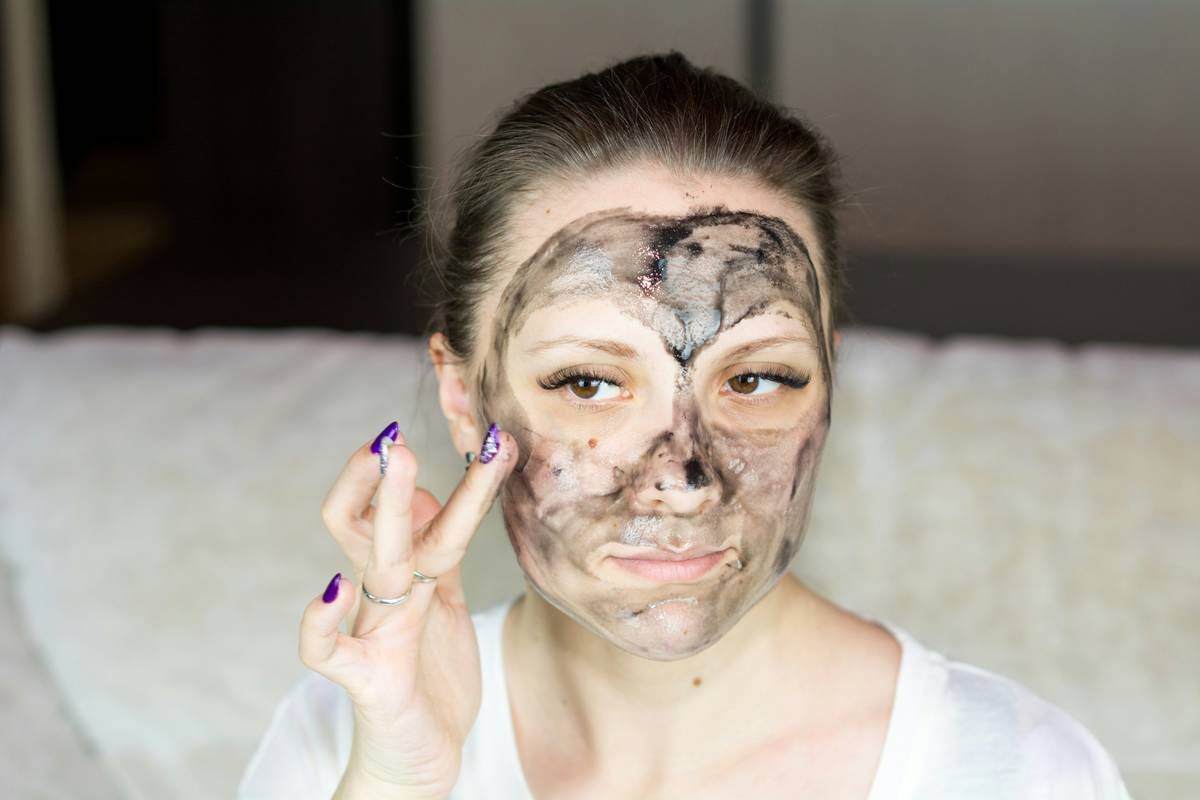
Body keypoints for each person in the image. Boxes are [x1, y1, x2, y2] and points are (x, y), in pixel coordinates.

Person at [237, 52, 1133, 799]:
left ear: (828, 386)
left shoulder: (1017, 772)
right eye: (589, 382)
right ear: (466, 401)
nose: (683, 478)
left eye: (756, 377)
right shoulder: (351, 733)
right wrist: (399, 782)